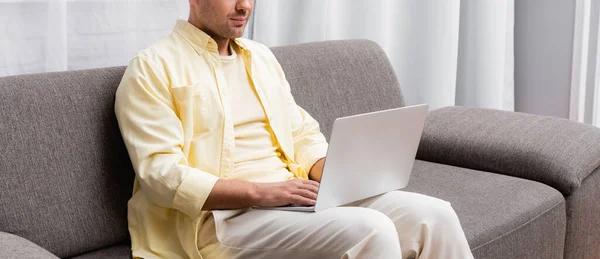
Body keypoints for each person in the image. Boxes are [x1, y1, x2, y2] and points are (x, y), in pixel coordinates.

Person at [114, 0, 474, 258]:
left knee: (434, 216)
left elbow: (301, 132)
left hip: (296, 197)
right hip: (220, 222)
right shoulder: (152, 68)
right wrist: (261, 192)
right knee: (371, 230)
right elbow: (160, 175)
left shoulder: (261, 58)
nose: (244, 6)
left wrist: (332, 174)